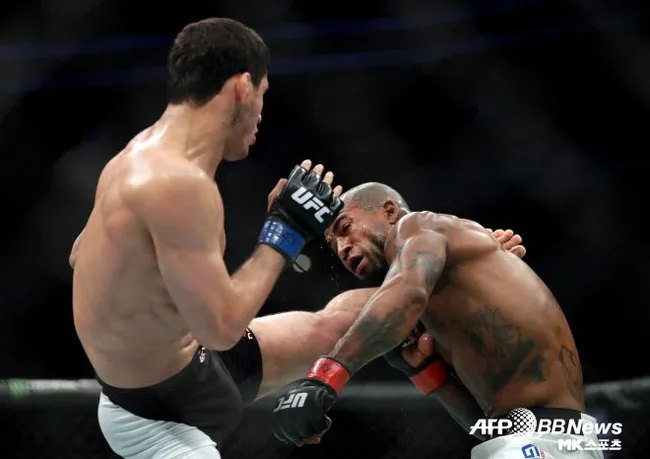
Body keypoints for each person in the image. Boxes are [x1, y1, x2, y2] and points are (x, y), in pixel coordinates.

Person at [70, 17, 345, 459]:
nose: (262, 112)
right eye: (263, 92)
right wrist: (286, 230)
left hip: (193, 371)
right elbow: (221, 329)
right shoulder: (177, 183)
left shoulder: (137, 154)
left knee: (338, 326)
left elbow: (79, 253)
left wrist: (151, 316)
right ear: (241, 87)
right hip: (158, 417)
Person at [271, 182, 601, 459]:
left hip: (543, 439)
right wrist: (427, 373)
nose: (343, 248)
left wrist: (325, 377)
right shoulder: (441, 303)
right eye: (335, 246)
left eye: (345, 229)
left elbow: (407, 292)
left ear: (389, 211)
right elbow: (485, 426)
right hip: (537, 439)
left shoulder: (419, 225)